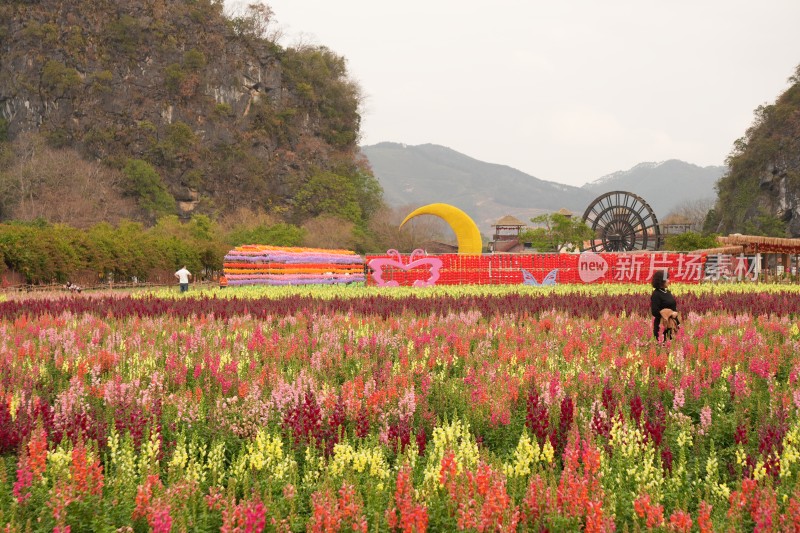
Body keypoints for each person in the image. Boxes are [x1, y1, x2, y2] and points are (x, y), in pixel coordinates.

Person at [650, 269, 680, 341]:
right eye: (667, 279)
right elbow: (655, 312)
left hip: (671, 325)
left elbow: (672, 307)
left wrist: (677, 322)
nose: (669, 281)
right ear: (661, 281)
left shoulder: (667, 292)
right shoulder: (656, 294)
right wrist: (670, 313)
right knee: (663, 348)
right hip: (662, 326)